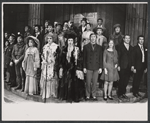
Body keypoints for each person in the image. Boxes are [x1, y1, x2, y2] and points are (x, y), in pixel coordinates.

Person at [58, 31, 78, 102]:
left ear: (73, 41)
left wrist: (76, 58)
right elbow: (61, 60)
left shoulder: (76, 49)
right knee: (65, 82)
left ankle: (72, 97)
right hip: (66, 68)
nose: (70, 42)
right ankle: (65, 96)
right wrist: (61, 68)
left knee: (72, 82)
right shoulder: (64, 49)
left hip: (73, 69)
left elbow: (79, 60)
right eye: (69, 40)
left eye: (71, 40)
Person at [83, 33, 103, 101]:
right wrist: (84, 67)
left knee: (95, 82)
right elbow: (84, 58)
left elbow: (100, 58)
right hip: (88, 66)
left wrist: (100, 67)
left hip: (96, 67)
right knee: (88, 82)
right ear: (90, 38)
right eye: (92, 37)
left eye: (94, 37)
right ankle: (87, 95)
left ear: (96, 38)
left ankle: (94, 95)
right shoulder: (86, 46)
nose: (93, 38)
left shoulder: (99, 47)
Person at [40, 33, 60, 99]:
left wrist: (52, 58)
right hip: (46, 63)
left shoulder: (56, 46)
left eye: (50, 38)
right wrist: (44, 60)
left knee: (52, 78)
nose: (49, 40)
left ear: (53, 39)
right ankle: (46, 93)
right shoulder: (45, 46)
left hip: (52, 64)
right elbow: (42, 55)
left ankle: (52, 92)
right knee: (45, 77)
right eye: (48, 38)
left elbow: (56, 56)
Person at [117, 35, 133, 99]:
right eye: (126, 38)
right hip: (122, 66)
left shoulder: (131, 47)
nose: (127, 39)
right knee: (121, 80)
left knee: (126, 81)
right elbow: (118, 57)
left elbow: (132, 58)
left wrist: (132, 66)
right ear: (123, 39)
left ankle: (123, 93)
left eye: (128, 38)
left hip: (128, 67)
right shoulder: (120, 47)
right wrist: (118, 65)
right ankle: (120, 93)